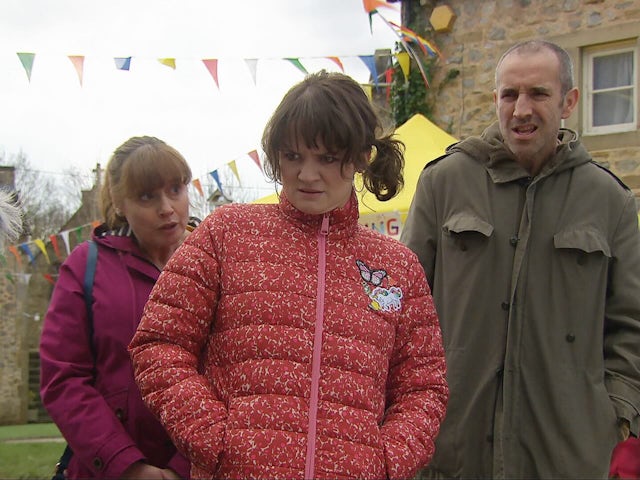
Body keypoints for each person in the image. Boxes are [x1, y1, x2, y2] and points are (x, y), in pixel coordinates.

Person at [129, 70, 449, 480]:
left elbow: (423, 386)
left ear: (360, 157)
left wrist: (383, 462)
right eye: (292, 156)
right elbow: (159, 344)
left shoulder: (398, 267)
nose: (306, 174)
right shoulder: (226, 234)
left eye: (327, 157)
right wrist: (217, 441)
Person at [401, 39, 640, 479]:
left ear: (568, 101)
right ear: (495, 100)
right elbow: (402, 311)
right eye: (509, 95)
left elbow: (630, 325)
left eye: (538, 94)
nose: (521, 109)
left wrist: (616, 416)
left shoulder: (611, 202)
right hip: (452, 449)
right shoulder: (443, 184)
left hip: (565, 457)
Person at [40, 136, 195, 479]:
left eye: (175, 189)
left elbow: (231, 374)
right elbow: (63, 377)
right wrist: (126, 466)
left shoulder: (214, 264)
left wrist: (183, 469)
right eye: (147, 196)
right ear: (120, 204)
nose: (167, 207)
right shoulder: (86, 266)